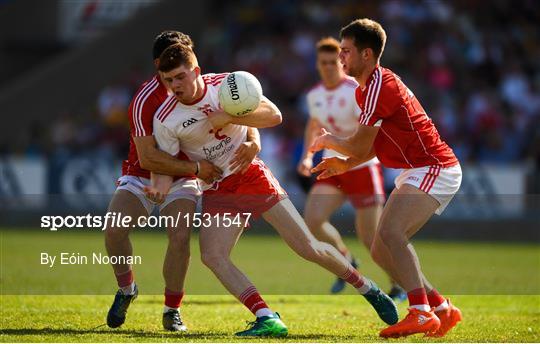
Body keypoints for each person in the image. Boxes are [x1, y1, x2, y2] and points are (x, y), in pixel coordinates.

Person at [145, 42, 398, 338]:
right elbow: (164, 168)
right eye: (169, 80)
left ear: (196, 72)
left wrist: (233, 121)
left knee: (307, 247)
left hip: (251, 176)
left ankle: (366, 287)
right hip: (218, 186)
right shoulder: (165, 118)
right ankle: (266, 316)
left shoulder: (227, 84)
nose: (175, 85)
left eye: (180, 77)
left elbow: (273, 115)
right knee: (213, 255)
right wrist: (158, 189)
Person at [310, 19, 463, 338]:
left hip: (435, 166)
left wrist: (329, 141)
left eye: (346, 51)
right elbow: (369, 148)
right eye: (340, 51)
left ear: (367, 54)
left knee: (392, 234)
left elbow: (356, 144)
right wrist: (344, 162)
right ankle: (439, 308)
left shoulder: (380, 85)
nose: (341, 58)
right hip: (418, 169)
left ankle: (420, 312)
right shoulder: (368, 89)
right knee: (380, 248)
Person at [105, 31, 253, 332]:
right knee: (114, 230)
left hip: (185, 175)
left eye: (187, 55)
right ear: (159, 65)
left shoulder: (208, 84)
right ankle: (127, 289)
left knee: (180, 236)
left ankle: (171, 310)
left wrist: (253, 140)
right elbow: (147, 159)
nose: (182, 66)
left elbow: (246, 111)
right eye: (171, 65)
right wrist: (196, 167)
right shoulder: (145, 100)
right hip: (144, 174)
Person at [298, 37, 406, 300]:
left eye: (332, 62)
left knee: (371, 238)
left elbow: (371, 127)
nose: (327, 67)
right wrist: (307, 157)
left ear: (342, 61)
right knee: (312, 221)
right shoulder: (315, 95)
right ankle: (347, 260)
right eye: (322, 63)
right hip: (331, 165)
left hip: (363, 166)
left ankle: (400, 284)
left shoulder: (355, 89)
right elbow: (313, 124)